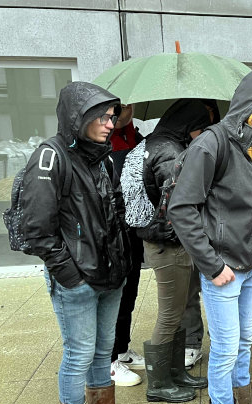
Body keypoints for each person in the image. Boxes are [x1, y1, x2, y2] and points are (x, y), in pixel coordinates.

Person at [20, 81, 148, 404]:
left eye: (112, 116)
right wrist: (69, 275)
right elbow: (37, 229)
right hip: (77, 279)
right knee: (79, 354)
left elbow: (116, 213)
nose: (111, 124)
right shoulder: (51, 156)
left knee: (102, 351)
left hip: (111, 275)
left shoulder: (102, 156)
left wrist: (123, 263)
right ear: (80, 117)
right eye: (104, 117)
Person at [168, 70, 252, 404]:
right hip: (223, 269)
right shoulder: (212, 144)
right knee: (224, 349)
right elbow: (182, 208)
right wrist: (212, 264)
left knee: (243, 342)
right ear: (250, 109)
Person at [135, 99, 216, 402]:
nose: (202, 134)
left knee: (179, 309)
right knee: (170, 314)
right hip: (169, 244)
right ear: (189, 125)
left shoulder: (152, 143)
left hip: (159, 240)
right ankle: (158, 385)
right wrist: (184, 240)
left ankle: (175, 373)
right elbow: (176, 207)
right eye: (201, 127)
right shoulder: (171, 152)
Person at [108, 103, 146, 387]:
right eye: (121, 108)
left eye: (130, 106)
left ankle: (122, 349)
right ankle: (109, 361)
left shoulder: (138, 137)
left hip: (133, 228)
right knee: (114, 298)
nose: (127, 111)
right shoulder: (103, 144)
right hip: (114, 231)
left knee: (130, 293)